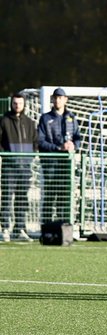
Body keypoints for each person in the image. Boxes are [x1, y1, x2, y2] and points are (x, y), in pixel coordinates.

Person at [37, 87, 82, 225]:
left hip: (67, 164)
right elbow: (40, 141)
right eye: (55, 97)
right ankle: (47, 228)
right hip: (51, 164)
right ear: (52, 99)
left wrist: (74, 145)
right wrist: (58, 148)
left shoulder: (71, 117)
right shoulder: (45, 118)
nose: (58, 100)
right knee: (50, 196)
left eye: (60, 97)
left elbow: (77, 137)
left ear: (65, 99)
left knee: (65, 196)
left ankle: (64, 227)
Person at [0, 92, 37, 242]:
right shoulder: (4, 121)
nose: (17, 106)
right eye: (15, 103)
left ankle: (20, 228)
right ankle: (5, 228)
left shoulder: (30, 122)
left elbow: (35, 142)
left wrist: (30, 156)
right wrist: (7, 156)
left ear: (24, 104)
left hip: (25, 167)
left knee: (22, 198)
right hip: (9, 167)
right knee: (7, 197)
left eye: (20, 103)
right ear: (11, 104)